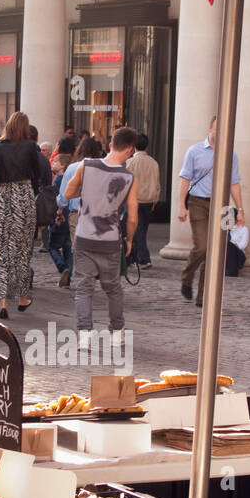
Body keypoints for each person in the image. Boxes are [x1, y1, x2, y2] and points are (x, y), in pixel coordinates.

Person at [63, 125, 138, 350]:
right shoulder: (128, 177)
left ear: (110, 144)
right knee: (113, 288)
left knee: (84, 289)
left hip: (84, 237)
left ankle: (85, 335)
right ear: (130, 150)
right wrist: (130, 240)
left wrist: (85, 192)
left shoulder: (87, 166)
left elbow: (68, 193)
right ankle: (117, 332)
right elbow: (133, 218)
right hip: (110, 240)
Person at [0, 111, 48, 319]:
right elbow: (37, 174)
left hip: (2, 197)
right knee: (21, 251)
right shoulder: (30, 147)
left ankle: (3, 303)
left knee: (1, 251)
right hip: (24, 197)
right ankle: (21, 297)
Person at [177, 116, 244, 306]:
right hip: (197, 202)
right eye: (217, 129)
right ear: (210, 129)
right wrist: (181, 205)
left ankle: (203, 297)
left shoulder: (230, 155)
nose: (219, 133)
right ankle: (186, 276)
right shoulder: (194, 151)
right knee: (203, 247)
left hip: (222, 206)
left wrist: (240, 210)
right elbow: (185, 179)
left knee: (216, 251)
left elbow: (234, 183)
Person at [125, 133, 160, 267]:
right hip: (149, 200)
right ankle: (136, 257)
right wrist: (155, 200)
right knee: (142, 230)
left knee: (136, 230)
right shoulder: (153, 163)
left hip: (135, 200)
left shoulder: (130, 162)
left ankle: (143, 258)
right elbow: (157, 184)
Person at [48, 137, 78, 285]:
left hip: (61, 216)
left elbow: (59, 198)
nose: (52, 163)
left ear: (62, 165)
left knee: (52, 246)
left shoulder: (59, 179)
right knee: (68, 247)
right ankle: (68, 276)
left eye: (55, 162)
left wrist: (57, 212)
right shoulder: (71, 175)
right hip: (70, 217)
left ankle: (62, 267)